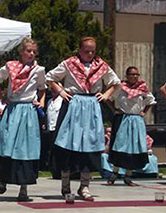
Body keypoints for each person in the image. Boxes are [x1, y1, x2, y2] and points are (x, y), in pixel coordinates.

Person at [47, 36, 119, 203]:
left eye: (92, 51)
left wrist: (106, 95)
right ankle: (65, 185)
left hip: (92, 106)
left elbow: (115, 83)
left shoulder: (101, 66)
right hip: (74, 104)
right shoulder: (69, 63)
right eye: (86, 51)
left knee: (90, 145)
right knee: (67, 144)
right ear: (79, 50)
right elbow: (51, 77)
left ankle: (84, 186)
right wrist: (62, 92)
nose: (90, 54)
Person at [0, 38, 46, 201]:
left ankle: (24, 189)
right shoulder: (10, 66)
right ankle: (2, 178)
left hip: (28, 111)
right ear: (21, 51)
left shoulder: (39, 70)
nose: (32, 54)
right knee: (7, 143)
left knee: (26, 147)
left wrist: (40, 103)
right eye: (28, 51)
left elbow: (42, 89)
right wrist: (0, 95)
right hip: (13, 109)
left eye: (34, 51)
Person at [106, 66, 155, 186]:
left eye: (136, 74)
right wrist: (115, 110)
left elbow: (151, 101)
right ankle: (114, 173)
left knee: (133, 148)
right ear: (127, 76)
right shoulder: (120, 88)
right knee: (120, 146)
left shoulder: (142, 88)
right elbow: (108, 98)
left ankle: (128, 175)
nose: (134, 77)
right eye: (132, 74)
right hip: (123, 119)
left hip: (136, 120)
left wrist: (143, 112)